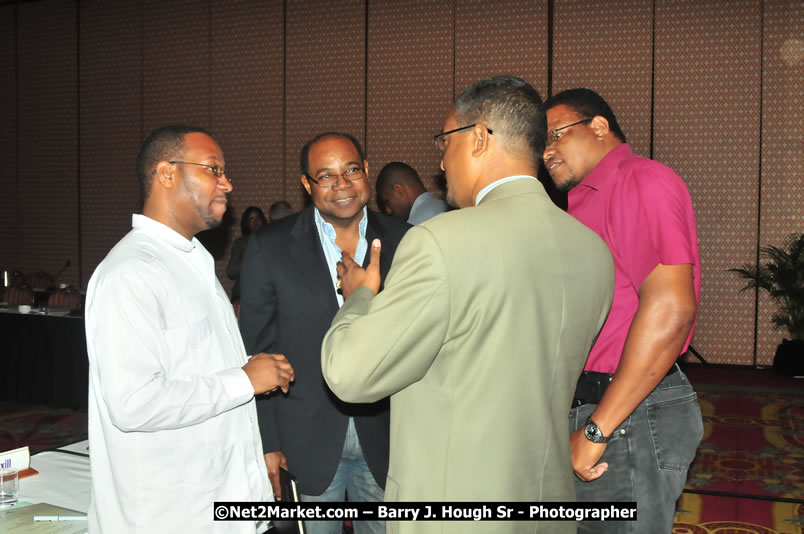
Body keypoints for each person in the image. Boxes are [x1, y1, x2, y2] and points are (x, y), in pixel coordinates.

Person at [320, 76, 614, 534]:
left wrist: (359, 295)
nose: (439, 161)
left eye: (444, 142)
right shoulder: (592, 249)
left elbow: (350, 374)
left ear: (477, 138)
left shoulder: (441, 241)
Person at [84, 126, 295, 534]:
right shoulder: (131, 272)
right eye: (214, 169)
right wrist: (243, 380)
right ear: (166, 173)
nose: (228, 184)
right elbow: (134, 402)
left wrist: (249, 373)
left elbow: (194, 371)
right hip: (172, 515)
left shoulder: (191, 258)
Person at [543, 88, 703, 533]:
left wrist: (597, 430)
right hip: (605, 407)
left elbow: (671, 307)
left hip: (629, 414)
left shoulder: (639, 180)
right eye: (541, 143)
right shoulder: (586, 200)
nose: (547, 151)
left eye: (555, 135)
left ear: (598, 126)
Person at [239, 132, 409, 534]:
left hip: (388, 435)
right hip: (305, 438)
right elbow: (256, 352)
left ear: (366, 170)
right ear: (306, 185)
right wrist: (266, 442)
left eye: (351, 170)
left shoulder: (410, 240)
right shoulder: (269, 248)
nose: (342, 185)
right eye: (325, 176)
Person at [375, 161, 447, 224]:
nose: (388, 210)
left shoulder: (415, 226)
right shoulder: (446, 208)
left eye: (387, 202)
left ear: (398, 189)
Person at [227, 206, 268, 304]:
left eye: (258, 218)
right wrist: (250, 257)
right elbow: (231, 272)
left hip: (267, 295)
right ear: (246, 223)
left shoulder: (271, 240)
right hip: (244, 295)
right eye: (251, 219)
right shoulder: (241, 243)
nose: (255, 222)